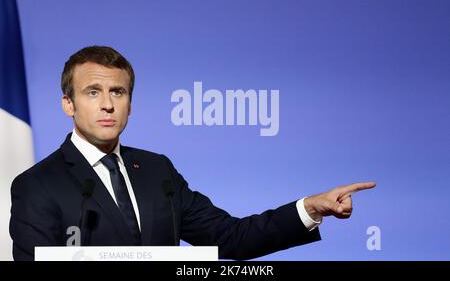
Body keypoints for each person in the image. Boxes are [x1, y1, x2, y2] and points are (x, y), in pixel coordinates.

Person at [9, 46, 376, 261]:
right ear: (67, 104)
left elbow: (230, 237)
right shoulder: (37, 185)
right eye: (93, 92)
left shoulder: (156, 170)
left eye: (118, 93)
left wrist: (308, 209)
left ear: (130, 104)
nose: (107, 105)